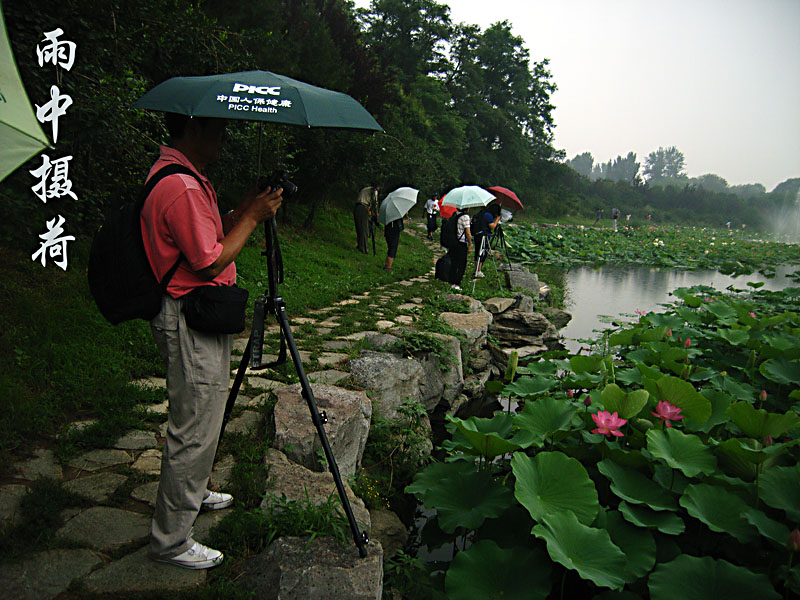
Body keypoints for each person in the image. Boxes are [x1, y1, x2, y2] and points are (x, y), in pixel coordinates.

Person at [140, 113, 283, 570]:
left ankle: (193, 492)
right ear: (192, 128)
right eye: (217, 129)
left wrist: (242, 210)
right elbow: (207, 259)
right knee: (195, 423)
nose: (224, 136)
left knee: (205, 411)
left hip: (197, 314)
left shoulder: (185, 178)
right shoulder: (180, 186)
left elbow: (208, 232)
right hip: (188, 313)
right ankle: (171, 540)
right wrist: (256, 218)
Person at [474, 205, 501, 278]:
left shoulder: (482, 213)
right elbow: (492, 226)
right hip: (484, 236)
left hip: (477, 235)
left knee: (477, 252)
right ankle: (478, 270)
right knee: (483, 253)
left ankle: (476, 269)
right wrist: (497, 220)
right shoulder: (488, 215)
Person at [448, 209, 472, 290]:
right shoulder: (465, 217)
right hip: (462, 243)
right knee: (462, 264)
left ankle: (451, 281)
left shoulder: (455, 215)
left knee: (454, 262)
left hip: (454, 242)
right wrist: (470, 244)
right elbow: (468, 232)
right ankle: (457, 283)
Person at [354, 185, 377, 254]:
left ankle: (360, 245)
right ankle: (363, 248)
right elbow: (374, 203)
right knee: (364, 229)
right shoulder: (374, 192)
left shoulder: (366, 189)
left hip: (358, 207)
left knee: (360, 227)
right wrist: (376, 214)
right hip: (363, 208)